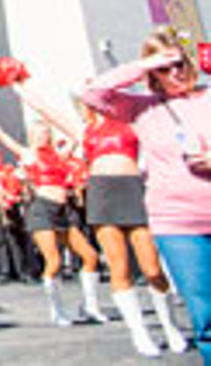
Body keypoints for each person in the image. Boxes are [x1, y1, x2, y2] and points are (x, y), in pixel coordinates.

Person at [15, 74, 189, 355]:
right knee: (119, 267)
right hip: (102, 195)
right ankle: (139, 333)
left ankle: (171, 327)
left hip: (132, 190)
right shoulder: (84, 130)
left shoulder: (133, 122)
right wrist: (16, 82)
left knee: (152, 267)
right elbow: (45, 109)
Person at [82, 27, 211, 362]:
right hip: (178, 223)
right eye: (165, 69)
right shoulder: (141, 108)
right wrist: (145, 64)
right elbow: (95, 93)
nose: (176, 72)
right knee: (205, 315)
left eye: (180, 64)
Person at [0, 115, 105, 326]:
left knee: (90, 256)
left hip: (63, 210)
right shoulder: (29, 154)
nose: (43, 137)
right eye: (38, 134)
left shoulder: (60, 155)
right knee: (54, 261)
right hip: (42, 209)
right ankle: (57, 311)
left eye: (46, 133)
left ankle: (90, 306)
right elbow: (4, 138)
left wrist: (87, 115)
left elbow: (76, 133)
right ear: (31, 137)